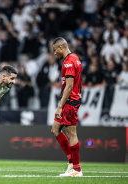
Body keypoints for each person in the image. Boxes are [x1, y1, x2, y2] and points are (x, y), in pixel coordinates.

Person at [50, 37, 83, 177]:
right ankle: (71, 163)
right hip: (70, 101)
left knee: (72, 134)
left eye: (55, 50)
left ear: (61, 47)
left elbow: (69, 86)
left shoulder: (69, 62)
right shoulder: (75, 58)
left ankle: (76, 169)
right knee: (55, 129)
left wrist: (59, 107)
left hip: (70, 101)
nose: (54, 53)